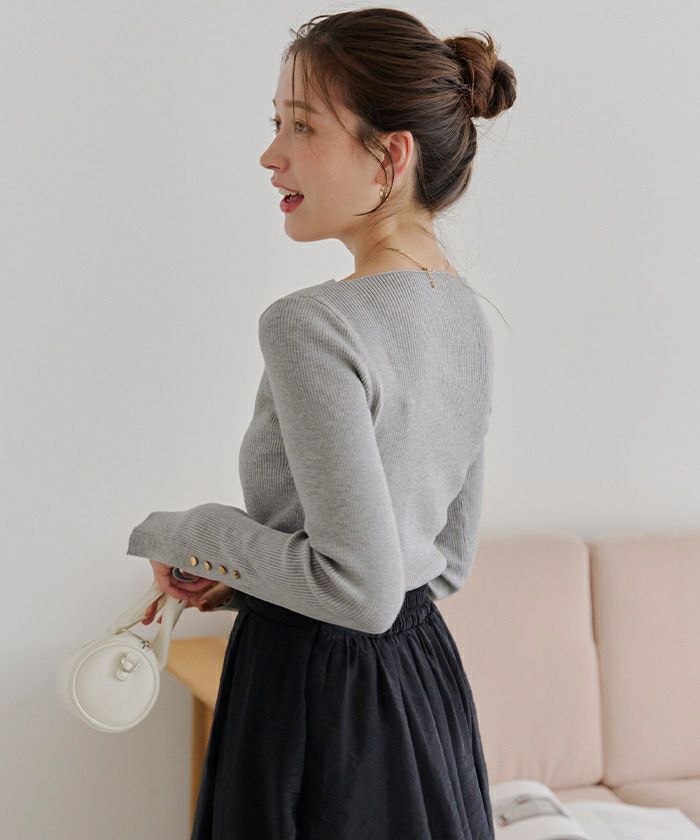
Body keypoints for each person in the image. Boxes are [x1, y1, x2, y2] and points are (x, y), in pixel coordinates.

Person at [127, 8, 516, 839]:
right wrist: (245, 578)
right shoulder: (464, 315)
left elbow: (358, 590)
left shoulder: (312, 325)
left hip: (315, 701)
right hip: (421, 686)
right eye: (276, 123)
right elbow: (438, 567)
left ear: (390, 156)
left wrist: (184, 532)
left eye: (301, 126)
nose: (272, 155)